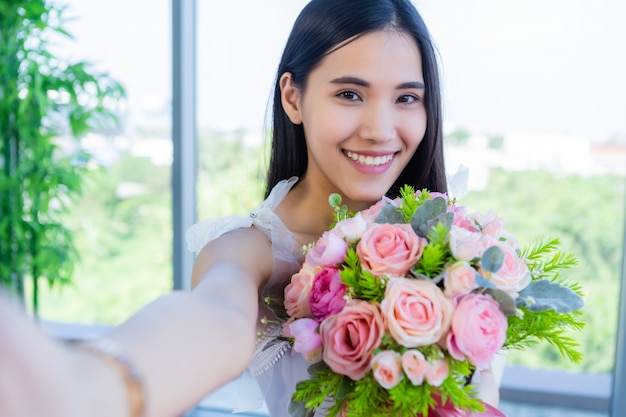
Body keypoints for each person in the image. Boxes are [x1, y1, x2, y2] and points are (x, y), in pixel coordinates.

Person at [0, 1, 505, 416]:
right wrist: (93, 389)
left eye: (406, 98)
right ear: (292, 97)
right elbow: (212, 313)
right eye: (350, 94)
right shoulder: (254, 251)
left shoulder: (455, 243)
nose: (379, 128)